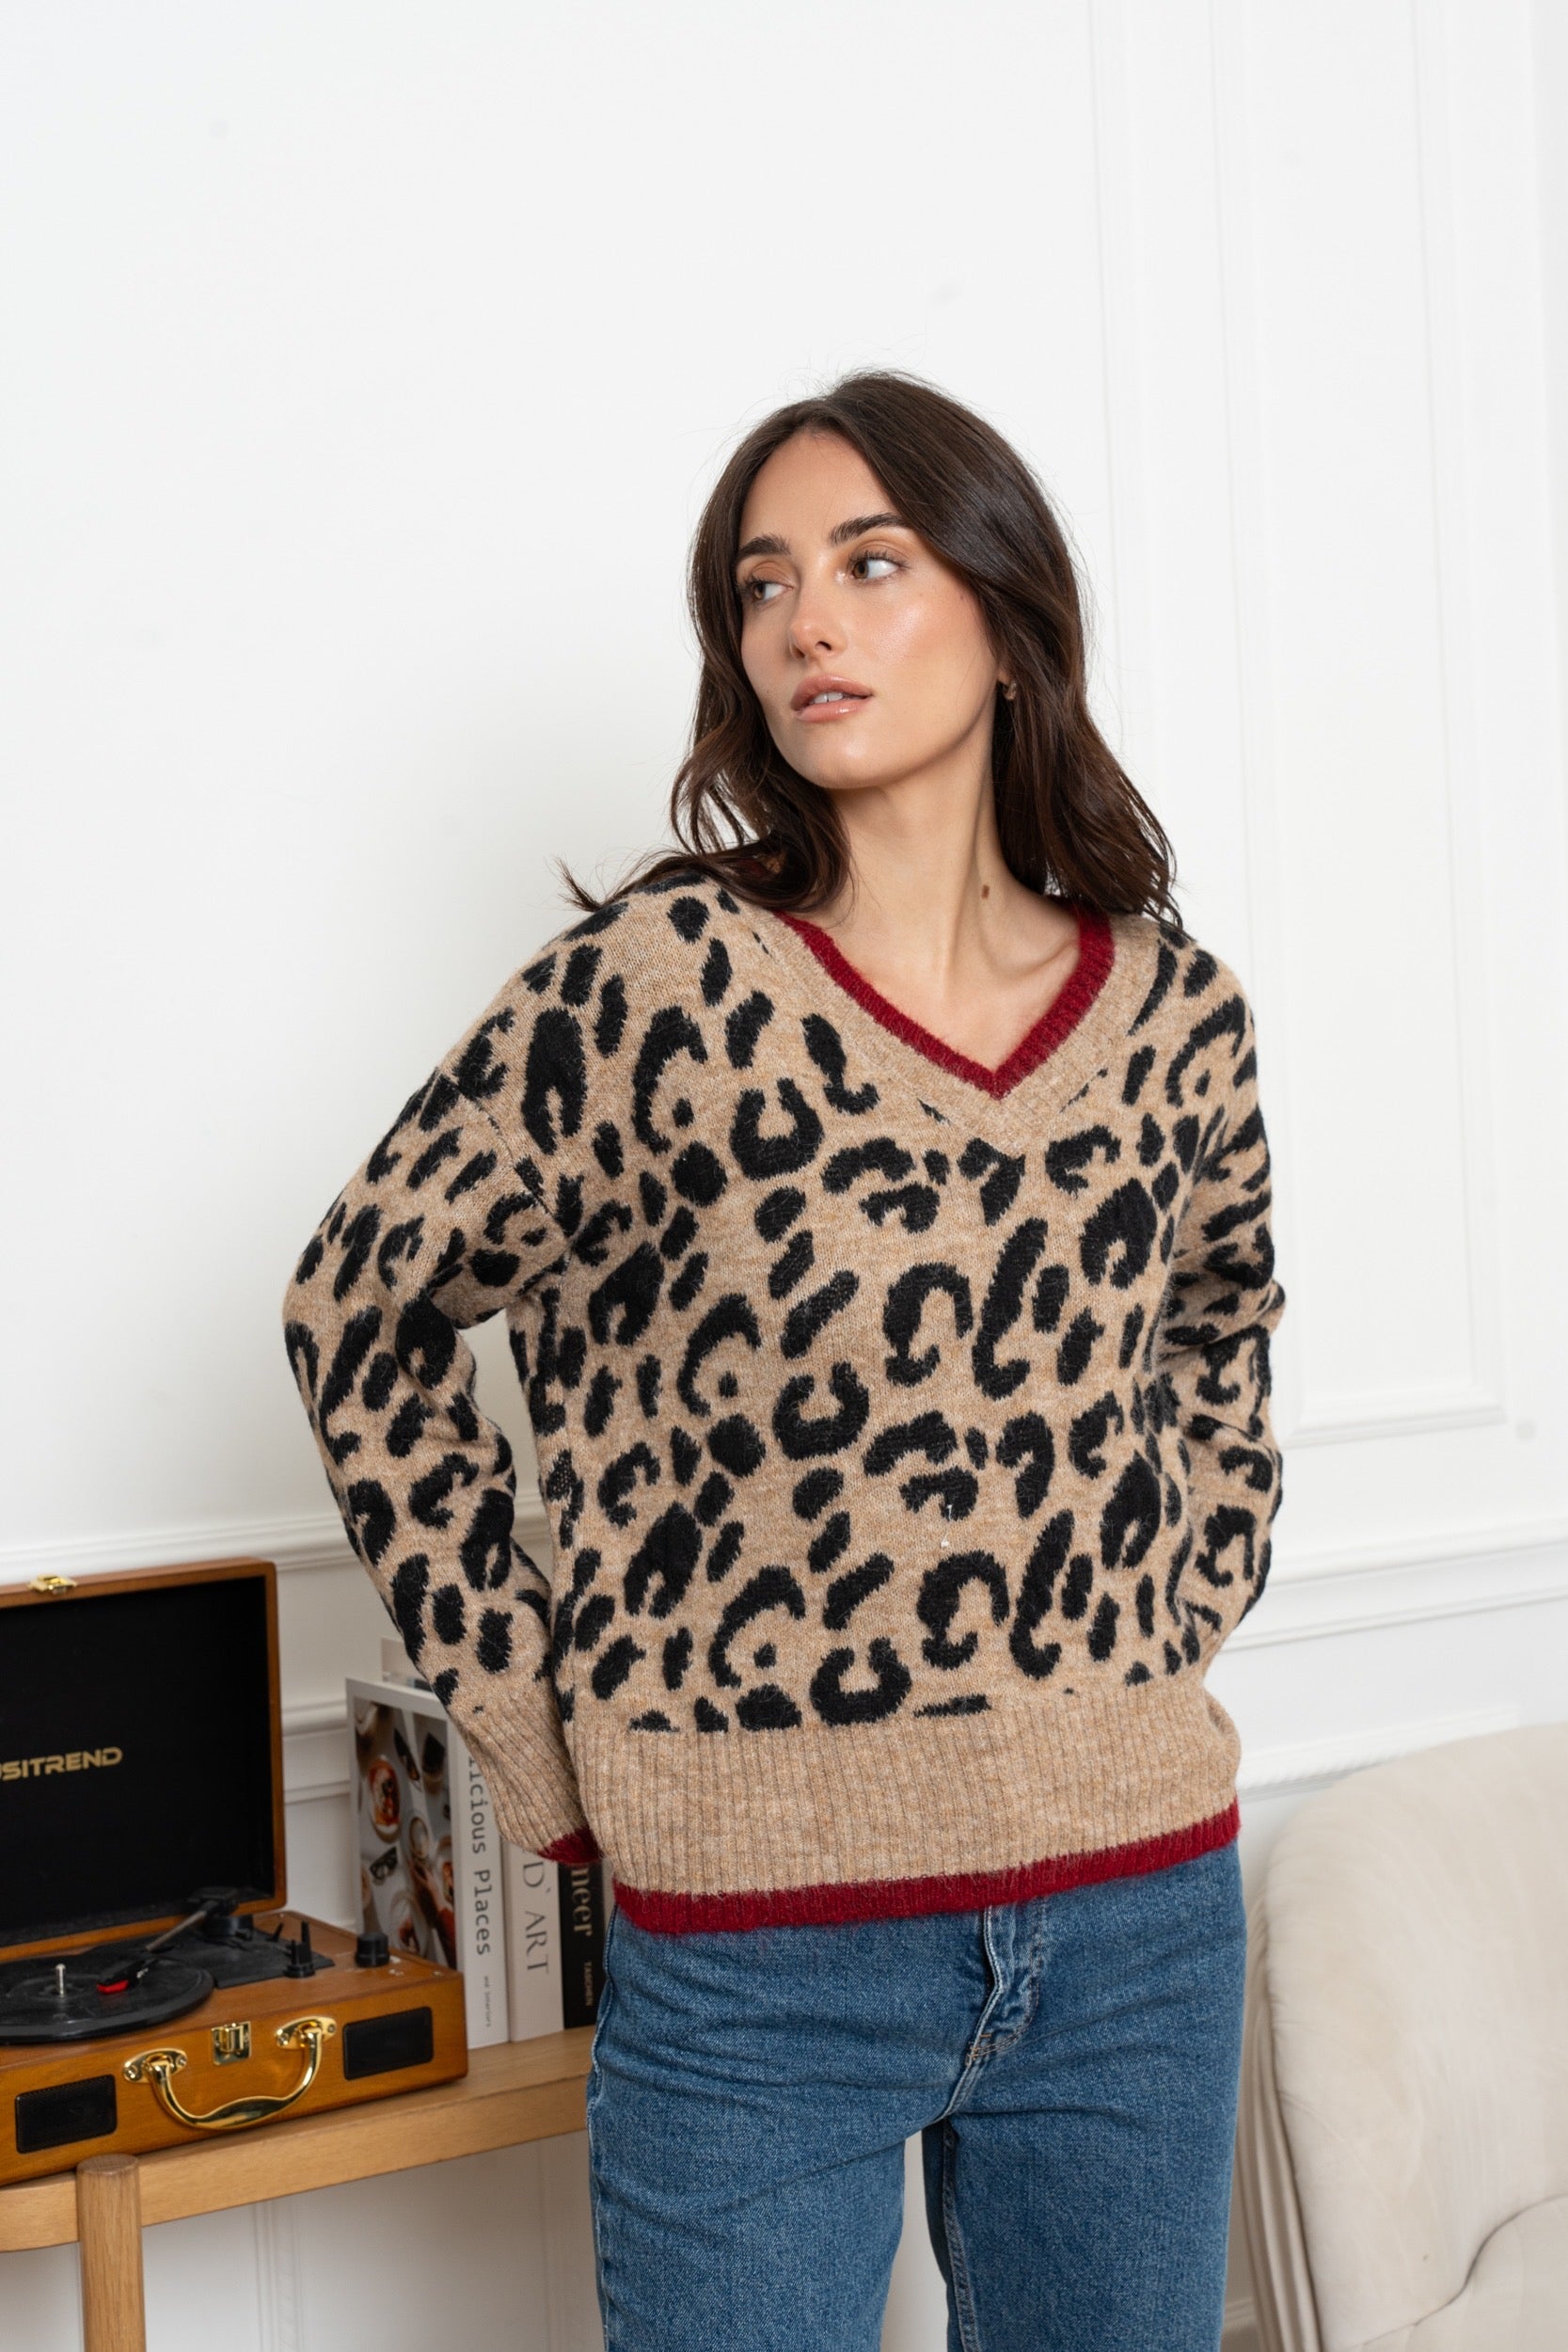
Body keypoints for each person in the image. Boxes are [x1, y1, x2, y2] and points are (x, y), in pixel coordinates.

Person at [280, 368, 1287, 2352]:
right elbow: (360, 1310)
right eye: (763, 583)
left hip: (1139, 1931)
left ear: (1007, 616)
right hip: (757, 1958)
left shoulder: (1177, 1012)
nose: (808, 621)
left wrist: (1181, 1604)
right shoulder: (651, 990)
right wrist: (533, 1724)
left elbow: (1222, 1328)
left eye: (872, 562)